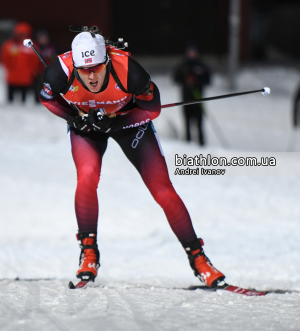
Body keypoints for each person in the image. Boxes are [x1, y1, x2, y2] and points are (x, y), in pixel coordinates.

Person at [38, 30, 225, 288]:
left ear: (106, 62)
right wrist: (75, 118)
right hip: (87, 128)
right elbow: (46, 98)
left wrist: (116, 120)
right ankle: (89, 253)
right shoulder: (59, 71)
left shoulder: (128, 71)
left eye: (96, 68)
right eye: (85, 70)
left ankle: (199, 259)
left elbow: (153, 108)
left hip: (129, 125)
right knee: (87, 176)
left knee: (163, 191)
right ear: (75, 66)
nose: (91, 76)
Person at [173, 44, 211, 146]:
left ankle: (201, 143)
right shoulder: (182, 66)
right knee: (187, 123)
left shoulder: (201, 66)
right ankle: (187, 143)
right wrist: (186, 80)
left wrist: (197, 81)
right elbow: (176, 79)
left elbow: (208, 80)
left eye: (193, 52)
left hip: (198, 99)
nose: (192, 54)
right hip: (186, 99)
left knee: (199, 123)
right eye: (190, 52)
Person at [0, 22, 42, 103]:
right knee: (10, 100)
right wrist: (10, 68)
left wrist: (32, 70)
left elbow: (35, 61)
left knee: (23, 99)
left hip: (26, 77)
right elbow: (4, 58)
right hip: (12, 76)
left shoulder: (31, 46)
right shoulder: (9, 45)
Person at [33, 29, 58, 104]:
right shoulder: (36, 47)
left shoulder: (52, 47)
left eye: (44, 38)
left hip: (49, 72)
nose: (43, 40)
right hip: (38, 72)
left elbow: (57, 59)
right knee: (38, 88)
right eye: (41, 38)